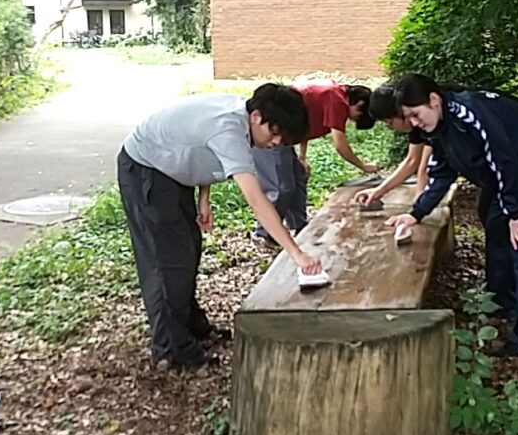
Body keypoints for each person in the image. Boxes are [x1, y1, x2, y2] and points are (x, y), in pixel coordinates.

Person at [117, 84, 322, 371]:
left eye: (283, 138)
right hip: (146, 167)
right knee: (169, 259)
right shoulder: (228, 128)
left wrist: (204, 199)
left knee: (188, 249)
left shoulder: (240, 119)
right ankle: (171, 349)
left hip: (171, 169)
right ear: (257, 117)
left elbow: (201, 150)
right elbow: (257, 200)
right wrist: (297, 255)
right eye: (274, 133)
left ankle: (189, 324)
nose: (276, 142)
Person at [386, 73, 518, 358]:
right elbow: (441, 174)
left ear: (433, 100)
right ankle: (503, 302)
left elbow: (503, 159)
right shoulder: (438, 128)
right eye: (407, 117)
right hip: (508, 178)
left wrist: (517, 214)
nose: (413, 122)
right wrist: (415, 213)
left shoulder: (470, 113)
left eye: (415, 114)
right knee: (495, 226)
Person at [251, 80, 378, 246]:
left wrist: (302, 159)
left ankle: (300, 226)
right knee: (282, 187)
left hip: (285, 138)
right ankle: (263, 233)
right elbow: (340, 145)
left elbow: (304, 126)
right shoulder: (337, 101)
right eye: (357, 117)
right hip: (269, 136)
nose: (351, 120)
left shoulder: (333, 95)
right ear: (359, 103)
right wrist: (364, 166)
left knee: (298, 179)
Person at [354, 84, 432, 207]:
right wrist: (379, 191)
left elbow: (426, 166)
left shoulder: (428, 118)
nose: (391, 128)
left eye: (390, 123)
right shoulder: (415, 125)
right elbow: (412, 160)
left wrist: (419, 204)